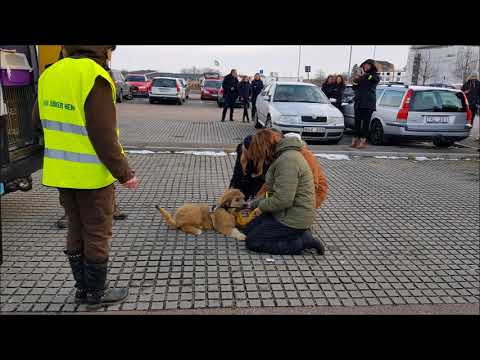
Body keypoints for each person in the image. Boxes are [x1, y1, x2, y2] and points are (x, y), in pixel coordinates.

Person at [32, 45, 139, 310]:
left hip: (61, 173)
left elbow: (36, 121)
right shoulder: (95, 75)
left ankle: (83, 289)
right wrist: (124, 174)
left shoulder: (50, 74)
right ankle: (97, 294)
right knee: (97, 232)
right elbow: (103, 135)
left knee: (76, 228)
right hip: (92, 176)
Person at [242, 129, 325, 255]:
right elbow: (272, 192)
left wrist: (261, 207)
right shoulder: (283, 156)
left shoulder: (288, 161)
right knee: (248, 229)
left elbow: (283, 200)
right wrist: (253, 204)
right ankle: (297, 234)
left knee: (253, 241)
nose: (263, 159)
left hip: (293, 219)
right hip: (285, 212)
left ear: (265, 148)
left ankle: (303, 241)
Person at [351, 59, 380, 149]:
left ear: (372, 66)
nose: (366, 66)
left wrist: (366, 75)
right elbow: (354, 87)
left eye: (368, 65)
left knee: (366, 123)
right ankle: (355, 140)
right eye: (365, 65)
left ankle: (363, 141)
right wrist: (356, 79)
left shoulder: (374, 75)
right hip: (359, 101)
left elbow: (375, 80)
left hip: (368, 103)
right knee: (357, 122)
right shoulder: (360, 76)